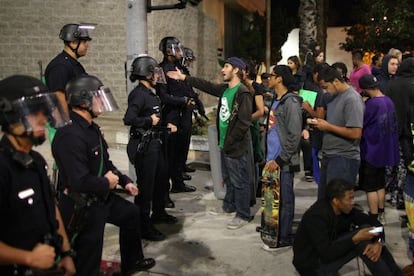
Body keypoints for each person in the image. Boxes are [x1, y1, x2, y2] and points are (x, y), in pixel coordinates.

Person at [52, 75, 155, 275]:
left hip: (99, 196)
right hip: (81, 205)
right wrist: (107, 182)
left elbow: (104, 163)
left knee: (130, 214)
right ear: (83, 101)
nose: (101, 102)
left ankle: (132, 262)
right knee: (89, 256)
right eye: (98, 97)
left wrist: (124, 181)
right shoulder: (69, 135)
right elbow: (78, 181)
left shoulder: (91, 129)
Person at [0, 75, 75, 275]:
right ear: (10, 117)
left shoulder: (36, 160)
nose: (45, 119)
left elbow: (52, 207)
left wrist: (66, 253)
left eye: (45, 111)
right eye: (34, 113)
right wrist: (28, 258)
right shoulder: (3, 169)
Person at [167, 57, 253, 229]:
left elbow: (244, 123)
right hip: (225, 144)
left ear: (236, 70)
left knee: (239, 181)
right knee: (228, 178)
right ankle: (229, 206)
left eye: (226, 67)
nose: (223, 70)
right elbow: (206, 85)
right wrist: (184, 78)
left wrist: (229, 142)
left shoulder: (242, 92)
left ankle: (243, 214)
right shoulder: (225, 89)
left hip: (234, 146)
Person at [293, 179, 403, 275]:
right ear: (336, 201)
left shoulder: (346, 210)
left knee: (369, 235)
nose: (352, 202)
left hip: (330, 251)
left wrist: (379, 242)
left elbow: (376, 224)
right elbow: (326, 253)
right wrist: (354, 239)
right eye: (349, 199)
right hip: (313, 266)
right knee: (361, 242)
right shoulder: (317, 217)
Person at [123, 55, 178, 242]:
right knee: (146, 188)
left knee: (162, 181)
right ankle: (143, 226)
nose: (157, 76)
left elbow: (154, 120)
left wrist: (164, 126)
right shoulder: (139, 94)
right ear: (146, 74)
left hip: (156, 144)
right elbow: (129, 119)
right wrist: (148, 120)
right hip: (145, 147)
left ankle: (159, 213)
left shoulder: (150, 94)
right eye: (154, 73)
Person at [311, 66, 364, 199]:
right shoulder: (334, 97)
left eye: (325, 87)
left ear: (335, 81)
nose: (325, 91)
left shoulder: (352, 99)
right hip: (329, 155)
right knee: (325, 202)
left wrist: (328, 127)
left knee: (338, 203)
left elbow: (356, 133)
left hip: (344, 158)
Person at [264, 65, 302, 246]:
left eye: (271, 76)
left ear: (279, 79)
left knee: (285, 201)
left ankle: (285, 236)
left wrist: (279, 160)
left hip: (282, 162)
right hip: (271, 160)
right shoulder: (276, 99)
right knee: (272, 200)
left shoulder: (291, 103)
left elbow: (294, 136)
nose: (268, 79)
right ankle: (273, 230)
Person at [358, 74, 400, 224]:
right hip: (386, 150)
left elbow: (362, 124)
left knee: (370, 187)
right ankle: (381, 213)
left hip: (371, 150)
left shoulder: (371, 105)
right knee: (380, 184)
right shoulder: (389, 101)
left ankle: (373, 216)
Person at [158, 36, 197, 193]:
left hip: (182, 114)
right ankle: (167, 189)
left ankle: (178, 183)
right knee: (171, 154)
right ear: (169, 51)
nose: (180, 52)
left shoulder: (178, 68)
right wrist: (182, 100)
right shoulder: (159, 70)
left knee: (180, 151)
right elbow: (163, 96)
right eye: (177, 49)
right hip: (171, 116)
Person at [386, 57, 414, 256]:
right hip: (409, 135)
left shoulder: (391, 85)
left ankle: (395, 195)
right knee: (406, 168)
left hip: (392, 132)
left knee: (394, 165)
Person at [45, 23, 94, 115]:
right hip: (70, 121)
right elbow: (59, 96)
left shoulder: (73, 64)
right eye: (84, 42)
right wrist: (67, 124)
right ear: (73, 43)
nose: (87, 46)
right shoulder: (60, 66)